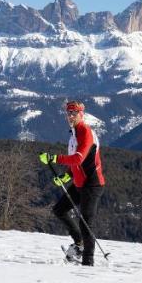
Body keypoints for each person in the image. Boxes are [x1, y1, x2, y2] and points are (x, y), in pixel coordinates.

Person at [39, 100, 105, 266]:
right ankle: (79, 244)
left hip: (92, 185)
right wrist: (66, 177)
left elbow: (78, 158)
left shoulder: (85, 132)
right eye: (68, 113)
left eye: (74, 113)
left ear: (81, 114)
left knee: (85, 223)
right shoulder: (74, 134)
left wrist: (54, 158)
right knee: (59, 210)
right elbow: (76, 164)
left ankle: (87, 261)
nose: (70, 116)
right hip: (79, 183)